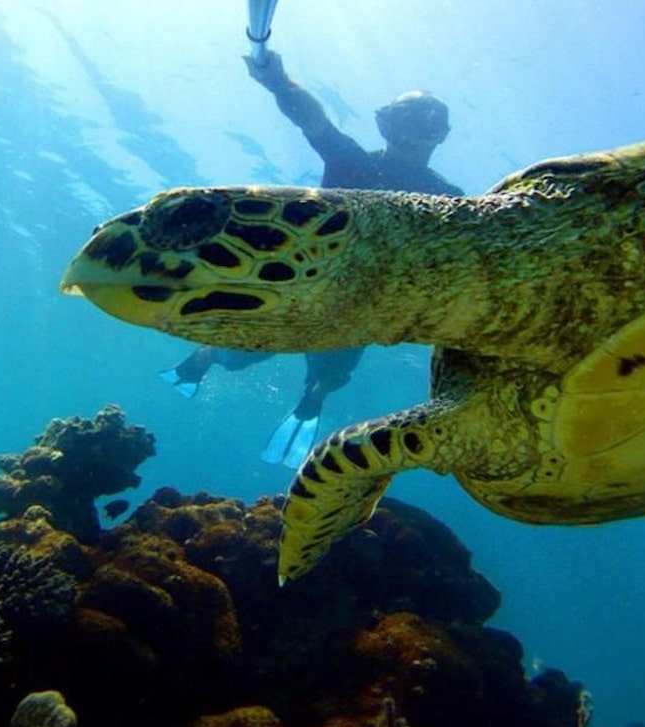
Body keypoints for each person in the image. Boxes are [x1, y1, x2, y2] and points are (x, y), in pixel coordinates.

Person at [162, 50, 464, 468]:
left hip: (353, 308)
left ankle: (304, 399)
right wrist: (277, 81)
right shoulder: (357, 163)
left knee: (325, 377)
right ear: (385, 124)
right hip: (306, 289)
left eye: (425, 120)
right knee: (245, 352)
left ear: (441, 133)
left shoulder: (452, 204)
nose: (414, 131)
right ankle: (207, 357)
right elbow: (312, 119)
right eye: (406, 118)